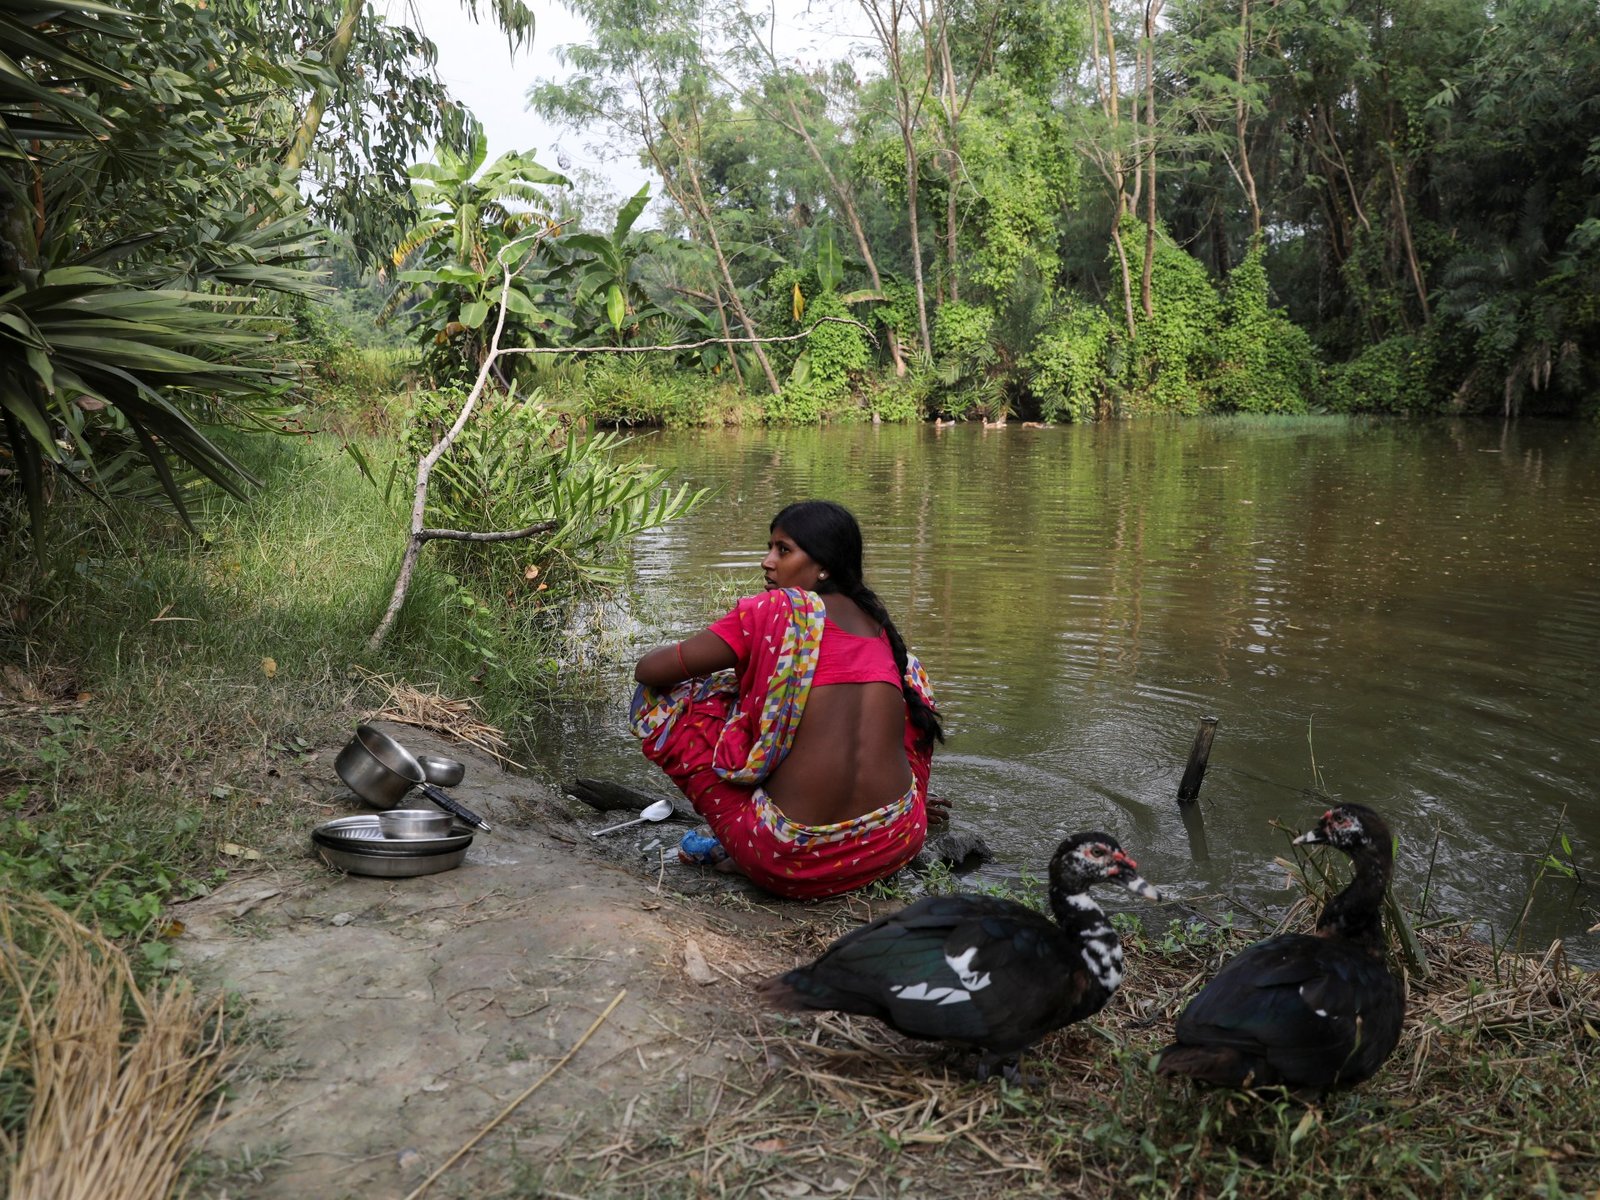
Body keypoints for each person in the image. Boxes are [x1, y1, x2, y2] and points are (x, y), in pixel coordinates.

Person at [630, 500, 944, 899]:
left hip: (786, 861)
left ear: (824, 566)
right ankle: (900, 804)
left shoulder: (776, 610)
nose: (767, 561)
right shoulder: (880, 629)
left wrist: (734, 670)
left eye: (783, 549)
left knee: (659, 697)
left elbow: (650, 672)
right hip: (896, 841)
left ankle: (741, 853)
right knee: (910, 680)